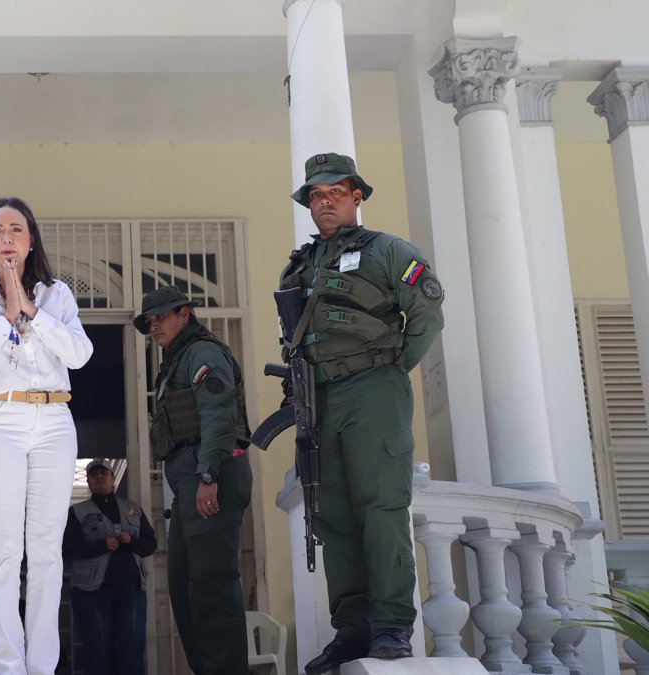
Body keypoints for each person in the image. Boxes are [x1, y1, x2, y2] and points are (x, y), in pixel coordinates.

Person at [280, 153, 445, 673]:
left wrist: (392, 365)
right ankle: (351, 630)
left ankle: (392, 625)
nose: (324, 202)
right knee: (332, 516)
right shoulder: (299, 264)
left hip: (373, 390)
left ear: (356, 197)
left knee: (381, 507)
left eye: (335, 192)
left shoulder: (387, 251)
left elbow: (426, 313)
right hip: (318, 397)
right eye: (315, 195)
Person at [0, 196, 94, 675]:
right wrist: (7, 316)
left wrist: (30, 309)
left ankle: (43, 667)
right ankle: (10, 667)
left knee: (47, 550)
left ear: (30, 240)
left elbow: (78, 355)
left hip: (54, 419)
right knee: (7, 548)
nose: (8, 236)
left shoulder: (58, 295)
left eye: (17, 228)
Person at [136, 285, 253, 675]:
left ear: (184, 314)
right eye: (149, 321)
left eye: (160, 317)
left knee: (212, 586)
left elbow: (218, 417)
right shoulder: (177, 359)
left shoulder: (202, 353)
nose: (153, 327)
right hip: (191, 480)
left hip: (211, 473)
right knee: (186, 587)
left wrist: (208, 475)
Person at [62, 459, 157, 675]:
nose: (99, 477)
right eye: (93, 474)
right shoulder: (76, 511)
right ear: (88, 482)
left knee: (132, 649)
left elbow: (150, 544)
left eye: (103, 473)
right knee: (97, 648)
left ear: (113, 479)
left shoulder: (133, 508)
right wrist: (101, 545)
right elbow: (67, 547)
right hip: (90, 592)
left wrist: (131, 541)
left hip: (131, 590)